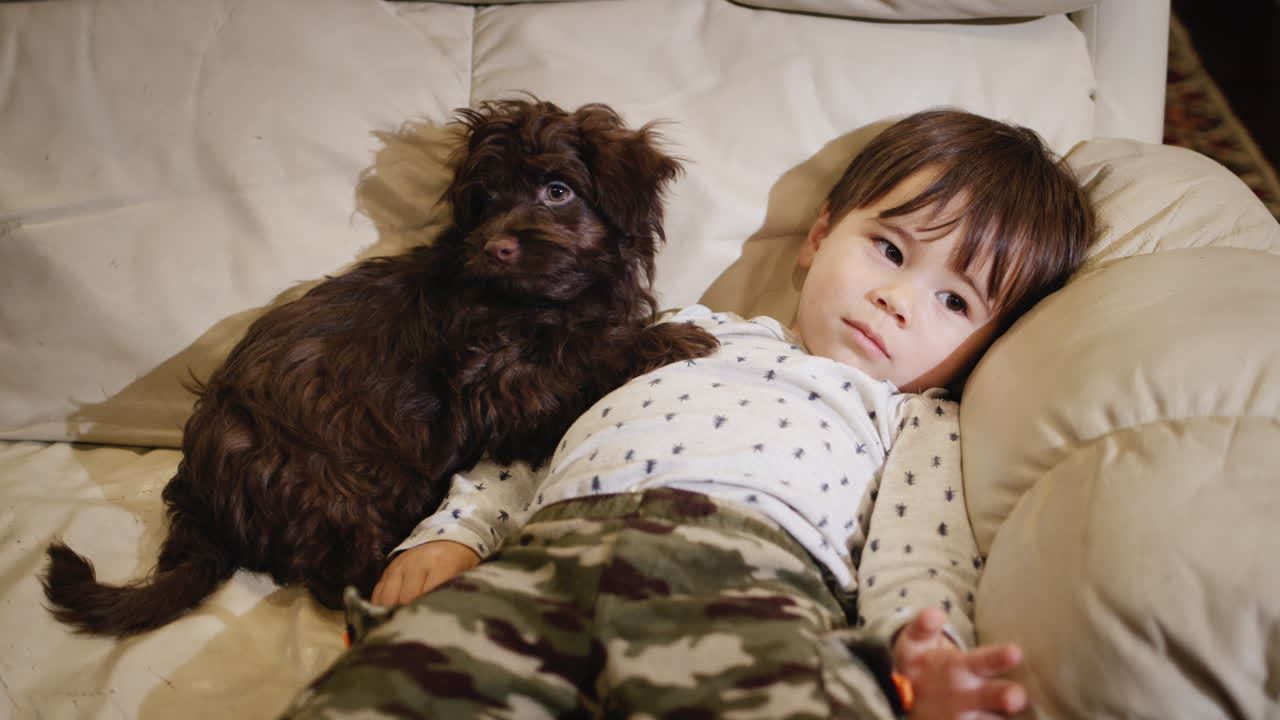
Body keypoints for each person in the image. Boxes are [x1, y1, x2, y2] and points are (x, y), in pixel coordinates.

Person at [280, 109, 1094, 720]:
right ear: (818, 236)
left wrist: (926, 654)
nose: (896, 298)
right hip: (543, 560)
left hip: (743, 589)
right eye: (888, 249)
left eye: (953, 300)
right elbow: (535, 441)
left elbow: (922, 557)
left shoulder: (914, 422)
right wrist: (455, 532)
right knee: (381, 691)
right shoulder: (682, 333)